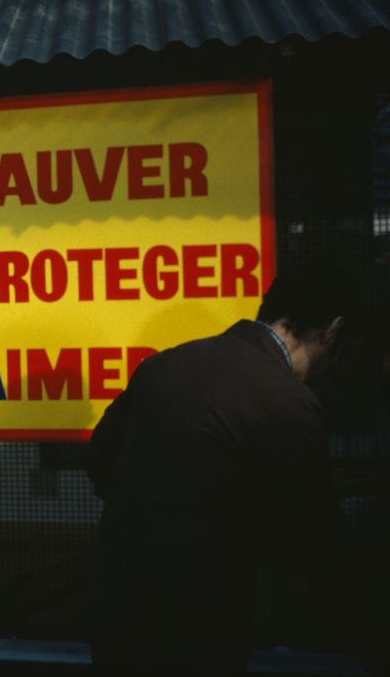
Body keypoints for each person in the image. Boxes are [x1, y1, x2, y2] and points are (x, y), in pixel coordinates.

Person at [86, 263, 355, 676]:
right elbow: (313, 537)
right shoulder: (287, 401)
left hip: (114, 605)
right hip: (199, 622)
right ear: (332, 331)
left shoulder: (163, 365)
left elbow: (100, 462)